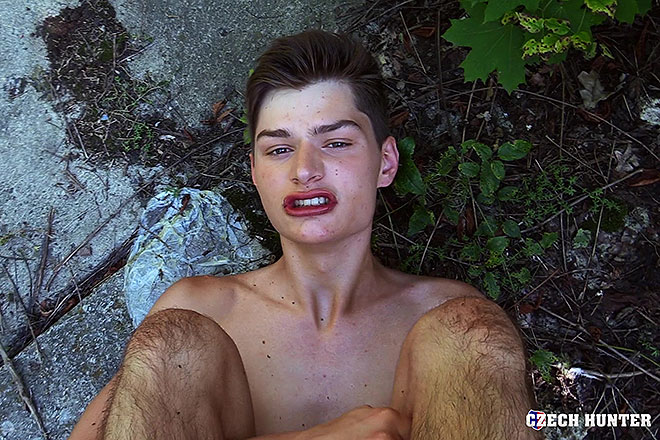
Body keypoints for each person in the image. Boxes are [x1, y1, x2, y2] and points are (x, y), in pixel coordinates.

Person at [69, 30, 539, 440]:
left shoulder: (448, 320)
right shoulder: (200, 311)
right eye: (279, 149)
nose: (304, 170)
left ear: (386, 162)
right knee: (175, 341)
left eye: (335, 142)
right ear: (256, 173)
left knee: (470, 332)